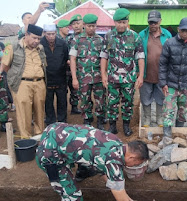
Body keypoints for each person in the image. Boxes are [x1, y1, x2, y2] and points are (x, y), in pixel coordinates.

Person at [36, 122, 150, 201]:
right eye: (135, 164)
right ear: (132, 157)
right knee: (72, 195)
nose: (134, 166)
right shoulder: (113, 163)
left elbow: (107, 175)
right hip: (49, 155)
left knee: (89, 163)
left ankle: (81, 172)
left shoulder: (115, 141)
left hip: (55, 130)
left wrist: (128, 199)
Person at [100, 8, 145, 136]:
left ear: (128, 22)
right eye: (119, 22)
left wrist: (141, 76)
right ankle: (112, 126)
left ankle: (126, 126)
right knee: (112, 102)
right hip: (113, 78)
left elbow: (140, 57)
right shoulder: (108, 36)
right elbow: (104, 56)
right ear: (114, 22)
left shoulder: (134, 37)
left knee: (128, 102)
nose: (121, 25)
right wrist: (103, 75)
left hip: (128, 79)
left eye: (124, 22)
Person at [0, 24, 47, 139]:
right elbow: (5, 66)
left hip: (40, 83)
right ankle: (26, 139)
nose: (36, 41)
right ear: (26, 35)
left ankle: (39, 136)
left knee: (40, 111)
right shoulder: (12, 47)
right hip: (22, 84)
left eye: (39, 39)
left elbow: (44, 65)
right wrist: (15, 77)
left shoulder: (41, 48)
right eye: (34, 38)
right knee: (24, 113)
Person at [159, 17, 187, 138]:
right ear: (178, 29)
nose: (185, 33)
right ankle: (167, 135)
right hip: (171, 83)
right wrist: (163, 83)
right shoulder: (169, 43)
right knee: (168, 111)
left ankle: (178, 133)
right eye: (182, 30)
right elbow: (163, 64)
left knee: (184, 110)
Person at [69, 14, 106, 129]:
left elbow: (105, 59)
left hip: (98, 77)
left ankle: (100, 119)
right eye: (89, 26)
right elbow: (73, 59)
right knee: (84, 99)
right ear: (84, 25)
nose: (91, 28)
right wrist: (74, 78)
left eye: (94, 26)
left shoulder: (100, 40)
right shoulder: (77, 40)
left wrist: (104, 75)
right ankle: (87, 119)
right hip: (83, 77)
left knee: (100, 99)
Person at [139, 10, 172, 127]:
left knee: (161, 97)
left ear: (160, 21)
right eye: (150, 22)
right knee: (145, 97)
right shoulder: (142, 35)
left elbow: (171, 54)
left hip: (162, 74)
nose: (153, 25)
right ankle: (147, 118)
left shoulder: (167, 35)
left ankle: (159, 118)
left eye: (155, 22)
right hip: (146, 73)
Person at [41, 24, 68, 126]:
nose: (51, 36)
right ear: (44, 33)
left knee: (62, 100)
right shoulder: (40, 44)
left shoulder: (62, 43)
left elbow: (65, 58)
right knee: (48, 102)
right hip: (47, 78)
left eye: (53, 34)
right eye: (48, 34)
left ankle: (62, 121)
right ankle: (50, 122)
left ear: (56, 33)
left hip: (60, 77)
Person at [66, 14, 83, 115]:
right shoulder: (69, 39)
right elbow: (65, 53)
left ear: (82, 23)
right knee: (73, 88)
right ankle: (74, 106)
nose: (76, 26)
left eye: (78, 23)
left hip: (84, 68)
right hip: (71, 68)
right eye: (74, 24)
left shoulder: (87, 37)